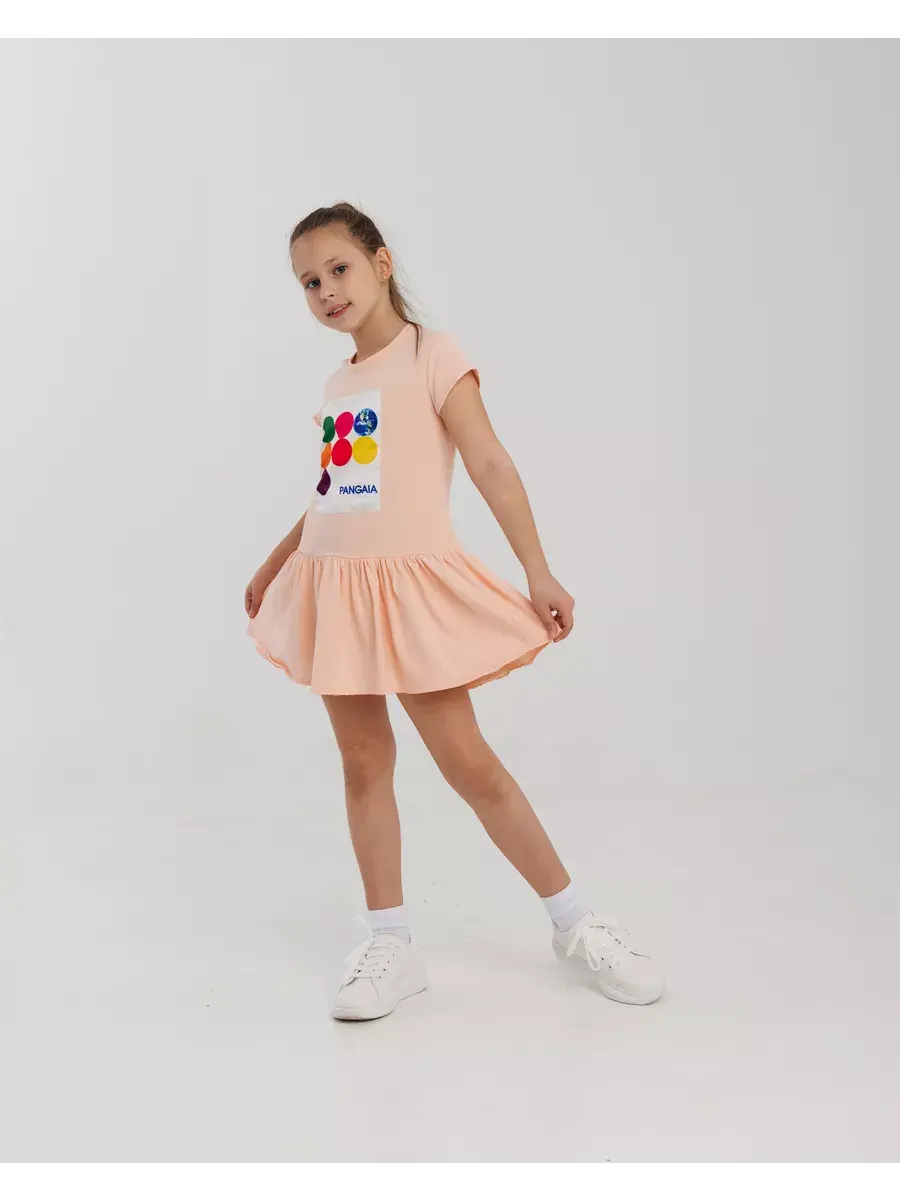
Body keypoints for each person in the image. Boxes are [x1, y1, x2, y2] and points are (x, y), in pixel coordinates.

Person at [245, 201, 664, 1020]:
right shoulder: (339, 384)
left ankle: (576, 922)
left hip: (406, 594)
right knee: (363, 761)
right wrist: (274, 562)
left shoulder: (434, 356)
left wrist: (537, 570)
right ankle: (391, 943)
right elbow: (337, 491)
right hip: (337, 589)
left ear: (381, 263)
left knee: (469, 764)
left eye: (338, 269)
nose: (326, 291)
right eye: (308, 282)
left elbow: (489, 462)